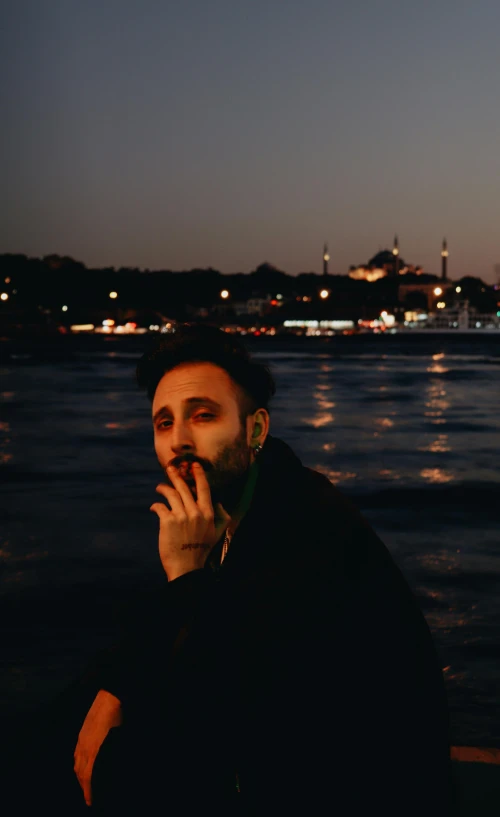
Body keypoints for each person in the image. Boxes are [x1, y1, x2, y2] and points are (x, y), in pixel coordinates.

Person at [70, 323, 453, 815]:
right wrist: (114, 685)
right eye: (163, 423)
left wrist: (185, 578)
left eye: (202, 415)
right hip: (288, 773)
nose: (179, 441)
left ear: (255, 429)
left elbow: (216, 706)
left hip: (355, 791)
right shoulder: (235, 508)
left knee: (122, 767)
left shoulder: (309, 531)